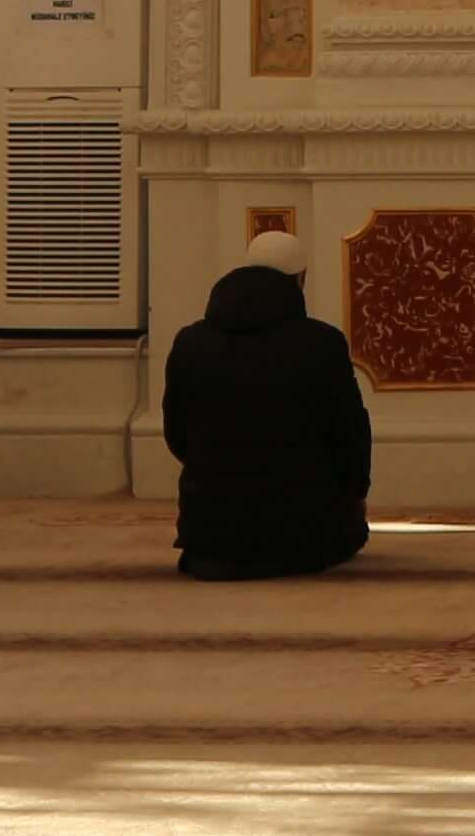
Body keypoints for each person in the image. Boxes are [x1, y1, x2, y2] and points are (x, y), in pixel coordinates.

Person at [160, 230, 374, 579]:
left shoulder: (190, 342)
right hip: (303, 542)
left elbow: (177, 434)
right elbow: (350, 434)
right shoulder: (322, 343)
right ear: (300, 278)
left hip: (211, 543)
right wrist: (356, 493)